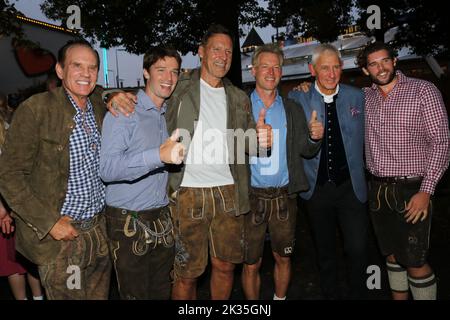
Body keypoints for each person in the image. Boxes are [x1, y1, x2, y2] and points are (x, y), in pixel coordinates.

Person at [108, 24, 272, 300]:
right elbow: (146, 96)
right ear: (201, 52)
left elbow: (245, 144)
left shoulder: (238, 96)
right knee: (186, 274)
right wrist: (109, 95)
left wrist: (262, 141)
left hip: (228, 192)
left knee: (225, 266)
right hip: (187, 193)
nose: (223, 56)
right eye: (216, 49)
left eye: (228, 51)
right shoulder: (179, 87)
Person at [0, 39, 112, 300]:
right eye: (77, 66)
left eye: (92, 67)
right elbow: (9, 174)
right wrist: (49, 223)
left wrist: (113, 96)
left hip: (98, 232)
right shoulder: (36, 109)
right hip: (62, 239)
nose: (86, 73)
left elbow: (109, 93)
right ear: (60, 71)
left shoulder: (98, 106)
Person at [357, 41, 450, 300]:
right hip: (377, 190)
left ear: (394, 61)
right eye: (373, 63)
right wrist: (305, 88)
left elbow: (441, 141)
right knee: (392, 255)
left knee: (415, 259)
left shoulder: (423, 91)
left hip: (413, 189)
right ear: (366, 70)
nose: (381, 67)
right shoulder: (364, 98)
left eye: (385, 60)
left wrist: (426, 190)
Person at [99, 47, 185, 300]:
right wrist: (157, 156)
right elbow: (107, 169)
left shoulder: (166, 112)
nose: (169, 78)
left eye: (174, 72)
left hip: (160, 216)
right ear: (146, 73)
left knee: (161, 292)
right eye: (161, 70)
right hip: (127, 221)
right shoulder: (124, 111)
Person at [241, 44, 323, 300]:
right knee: (250, 263)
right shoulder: (239, 107)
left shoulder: (292, 108)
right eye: (265, 66)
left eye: (276, 66)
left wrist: (314, 137)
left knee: (283, 257)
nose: (271, 71)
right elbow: (227, 149)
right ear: (253, 70)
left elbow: (305, 150)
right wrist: (251, 138)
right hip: (250, 197)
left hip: (285, 197)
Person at [288, 43, 369, 299]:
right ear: (313, 70)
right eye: (325, 68)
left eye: (336, 67)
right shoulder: (297, 98)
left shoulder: (357, 97)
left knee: (357, 249)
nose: (331, 73)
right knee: (325, 252)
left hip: (351, 188)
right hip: (317, 190)